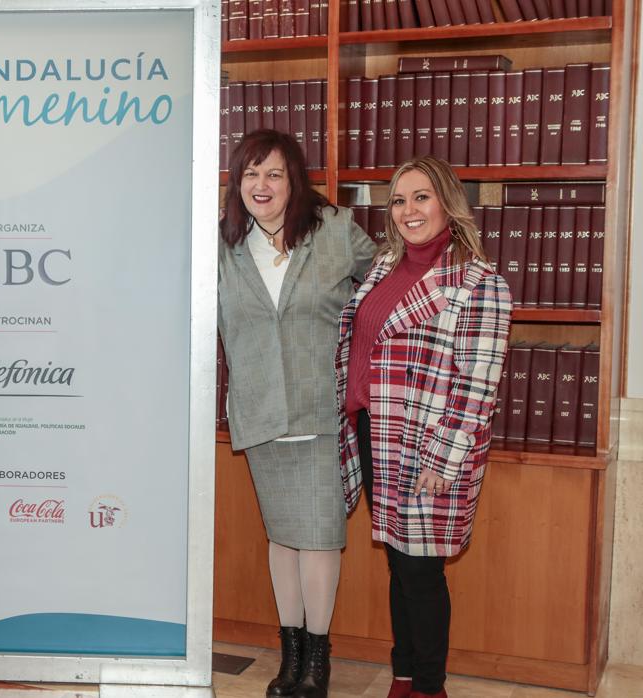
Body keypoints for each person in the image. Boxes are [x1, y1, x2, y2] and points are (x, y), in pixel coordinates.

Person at [337, 156, 512, 698]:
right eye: (398, 200)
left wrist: (443, 459)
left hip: (428, 445)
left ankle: (429, 687)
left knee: (421, 571)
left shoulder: (480, 283)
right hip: (374, 432)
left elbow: (477, 384)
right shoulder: (385, 264)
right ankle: (404, 673)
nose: (408, 210)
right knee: (397, 557)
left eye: (421, 197)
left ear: (448, 204)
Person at [218, 129, 377, 698]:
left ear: (294, 181)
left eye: (275, 174)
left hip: (322, 410)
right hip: (260, 413)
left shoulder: (334, 231)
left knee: (320, 535)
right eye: (251, 174)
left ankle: (317, 660)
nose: (262, 186)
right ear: (237, 184)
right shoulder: (222, 246)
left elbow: (385, 286)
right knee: (282, 536)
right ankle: (289, 660)